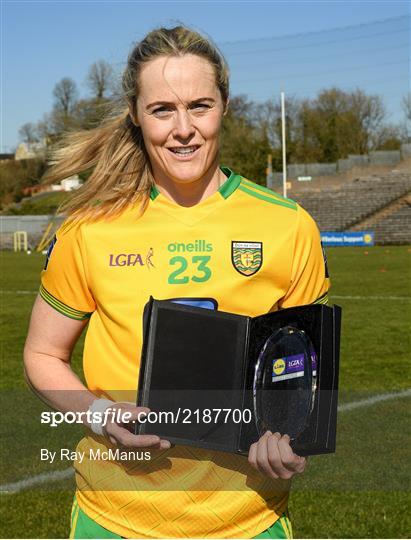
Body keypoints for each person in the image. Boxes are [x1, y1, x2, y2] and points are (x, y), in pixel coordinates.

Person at [24, 25, 330, 539]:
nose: (183, 128)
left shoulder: (287, 224)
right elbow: (42, 355)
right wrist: (99, 414)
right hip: (114, 517)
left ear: (225, 106)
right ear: (136, 115)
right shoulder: (90, 228)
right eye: (162, 109)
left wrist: (289, 434)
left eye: (200, 105)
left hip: (247, 521)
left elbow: (307, 370)